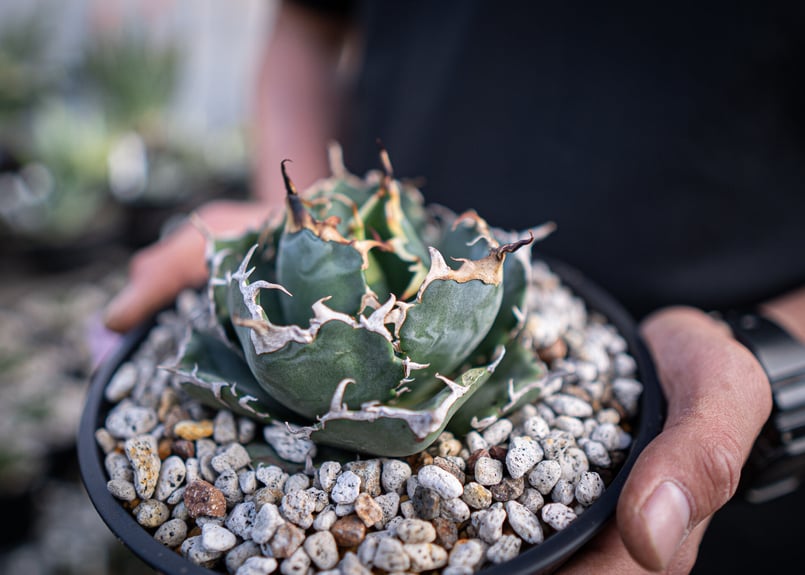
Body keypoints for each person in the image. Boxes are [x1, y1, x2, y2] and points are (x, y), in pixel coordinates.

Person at [105, 1, 805, 572]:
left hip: (741, 489)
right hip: (414, 236)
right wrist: (300, 219)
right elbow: (309, 25)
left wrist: (770, 358)